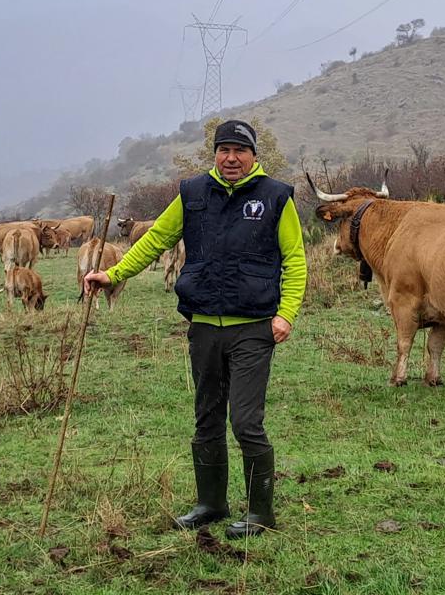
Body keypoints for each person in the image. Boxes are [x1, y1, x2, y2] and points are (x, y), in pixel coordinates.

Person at [83, 119, 306, 538]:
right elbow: (154, 242)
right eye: (224, 150)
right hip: (203, 325)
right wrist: (112, 274)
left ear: (254, 156)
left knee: (245, 421)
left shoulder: (276, 198)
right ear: (215, 154)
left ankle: (261, 513)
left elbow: (294, 259)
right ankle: (211, 504)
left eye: (240, 150)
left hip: (254, 328)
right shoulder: (192, 193)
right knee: (206, 418)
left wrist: (286, 313)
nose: (231, 158)